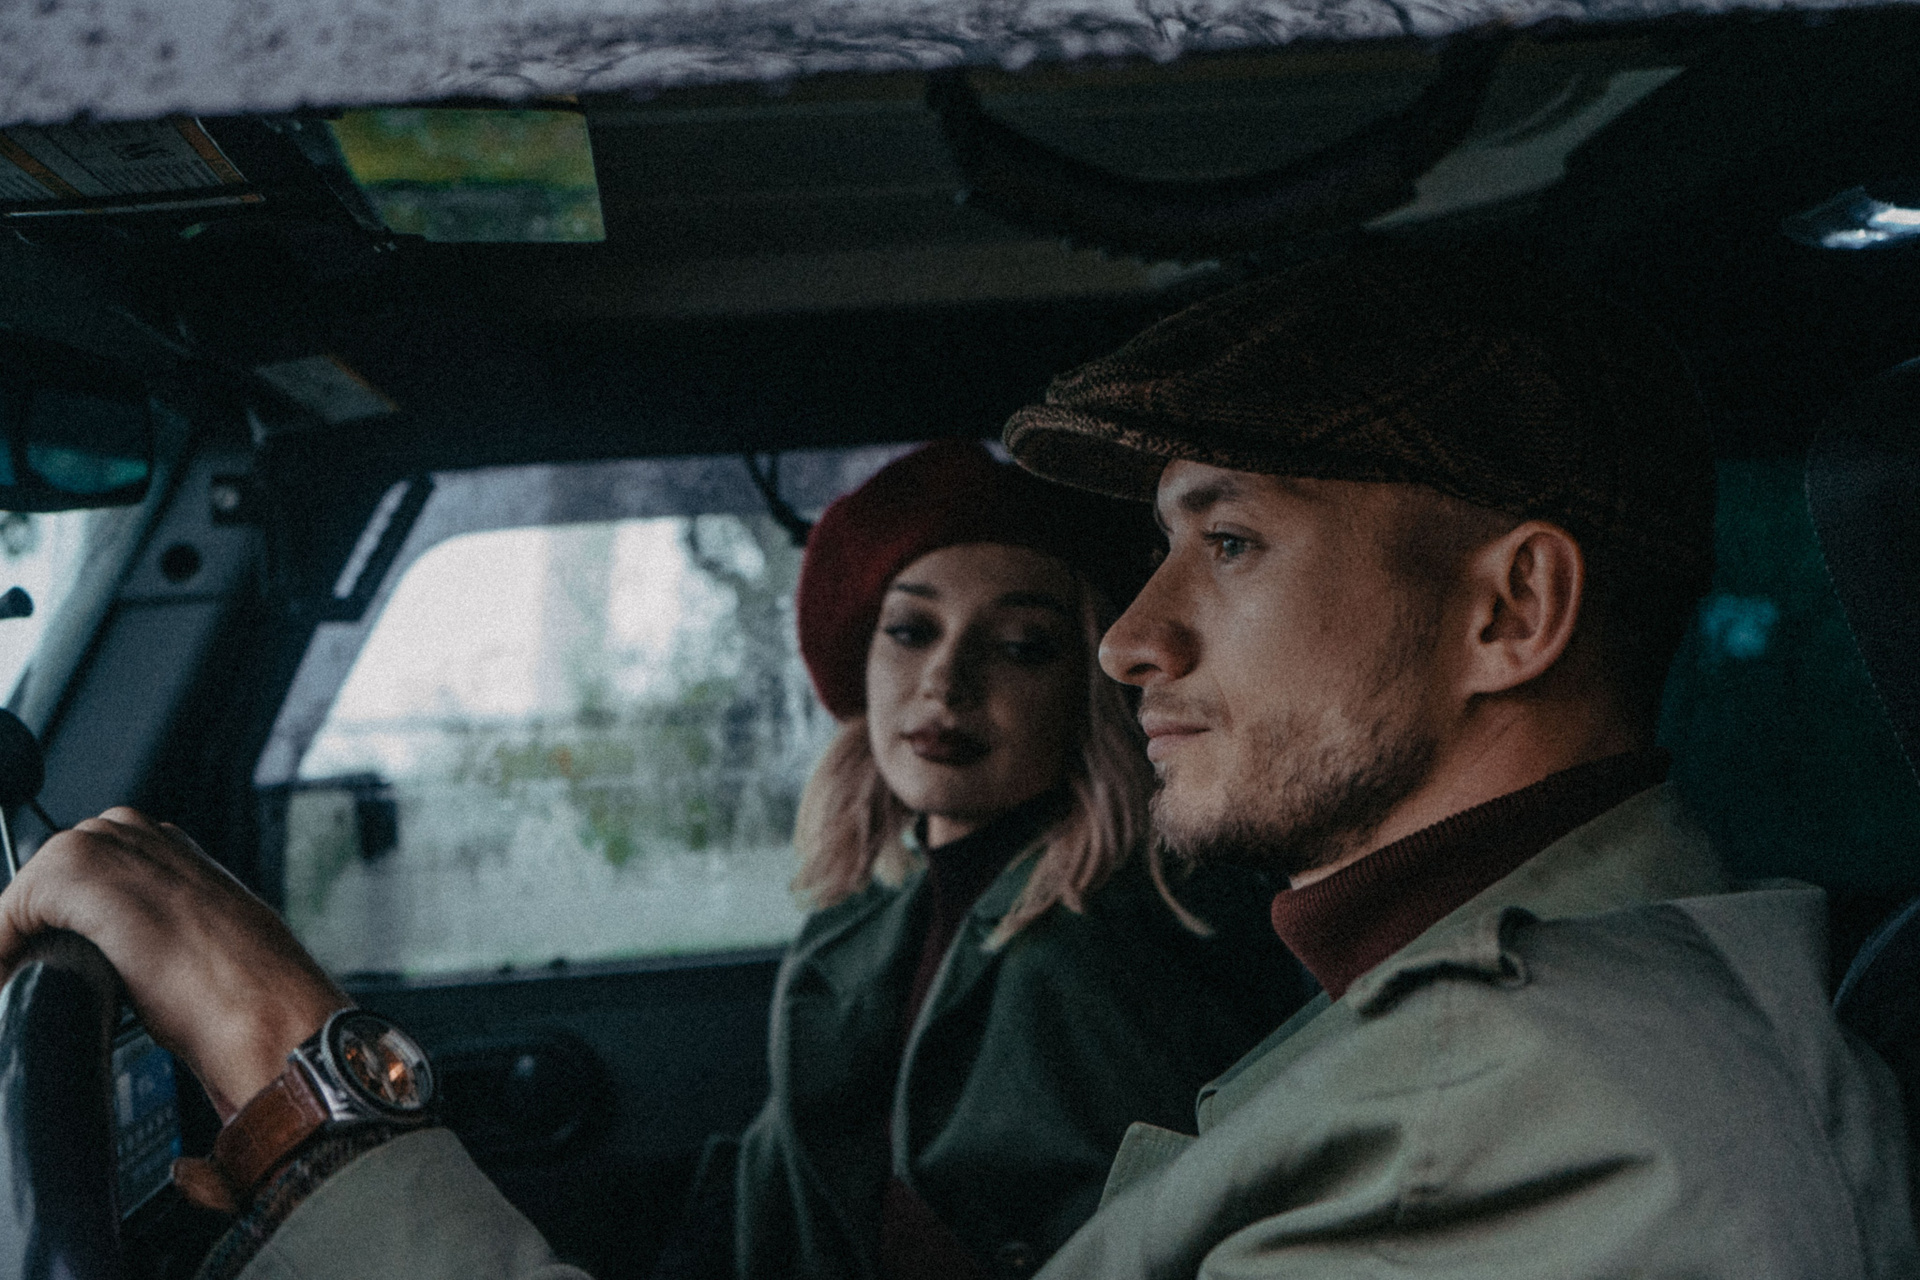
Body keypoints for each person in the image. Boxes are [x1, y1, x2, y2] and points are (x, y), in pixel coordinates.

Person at [4, 245, 1914, 1280]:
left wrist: (308, 1087)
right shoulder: (1464, 1022)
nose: (1133, 638)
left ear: (1513, 612)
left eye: (1228, 541)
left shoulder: (1551, 1131)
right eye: (1154, 550)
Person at [662, 439, 1302, 1280]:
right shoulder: (875, 915)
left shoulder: (1094, 953)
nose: (946, 681)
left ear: (1095, 687)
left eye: (1023, 645)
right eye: (910, 631)